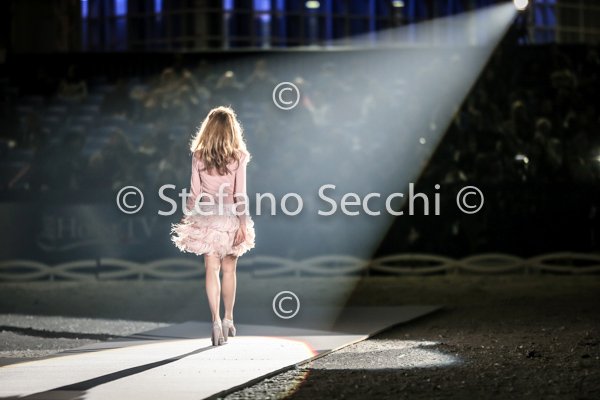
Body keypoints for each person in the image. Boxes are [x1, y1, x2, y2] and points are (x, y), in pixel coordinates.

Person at [171, 106, 255, 346]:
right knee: (229, 270)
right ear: (232, 130)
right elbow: (240, 194)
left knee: (211, 269)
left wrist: (187, 216)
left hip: (207, 216)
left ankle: (215, 321)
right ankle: (228, 319)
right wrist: (243, 223)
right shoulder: (239, 157)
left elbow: (194, 193)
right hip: (229, 215)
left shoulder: (199, 155)